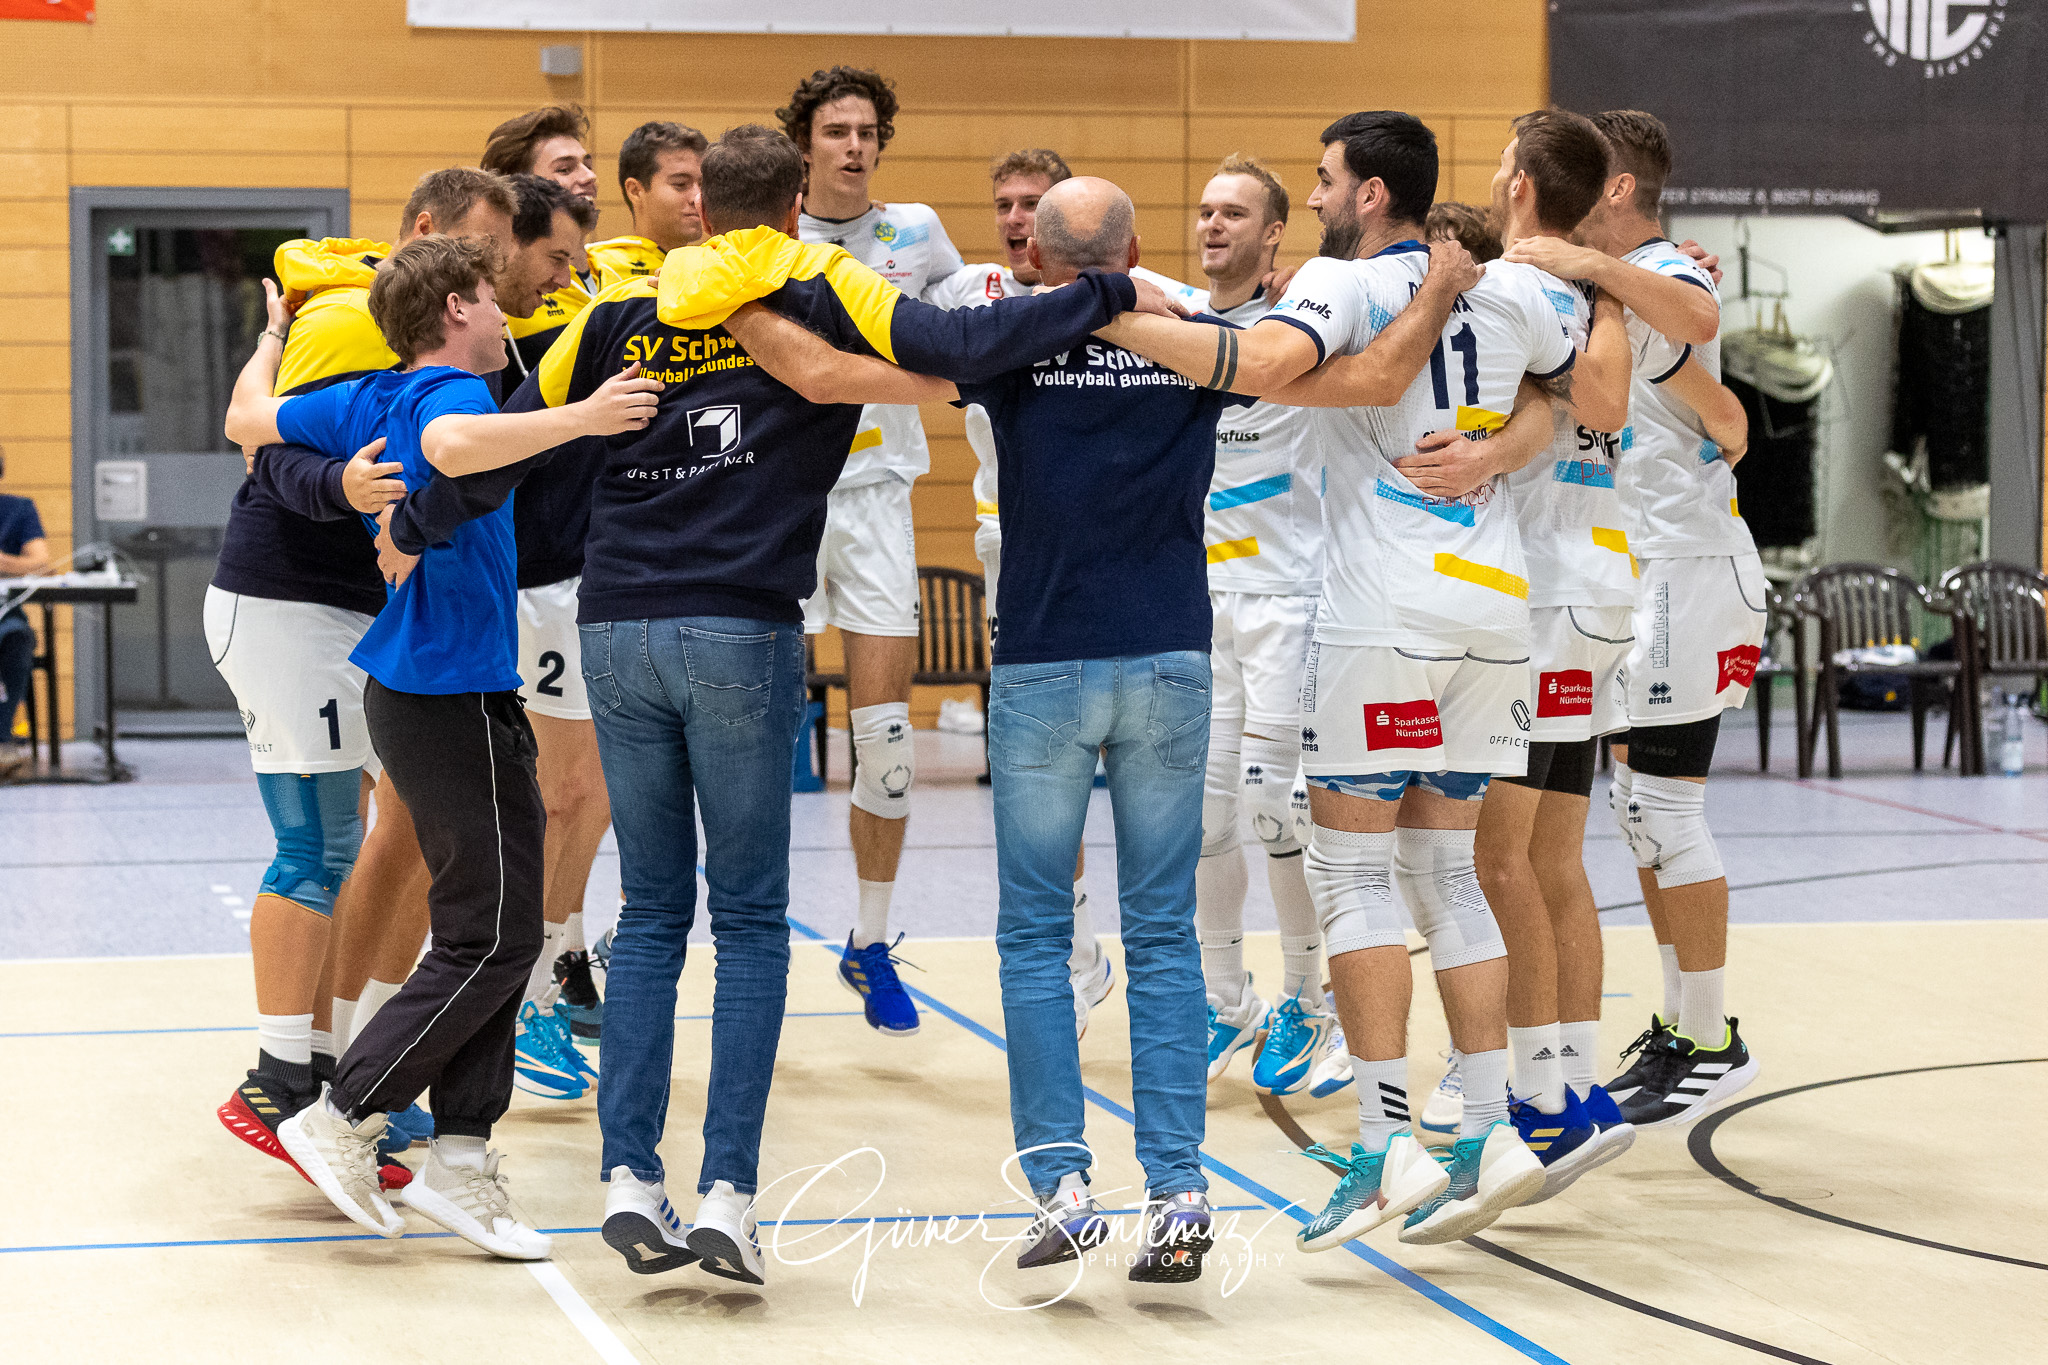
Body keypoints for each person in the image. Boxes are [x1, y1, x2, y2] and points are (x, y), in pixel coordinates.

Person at [445, 124, 1170, 1285]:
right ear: (792, 209)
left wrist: (401, 522)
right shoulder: (818, 283)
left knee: (647, 918)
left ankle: (629, 1176)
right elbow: (960, 340)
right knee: (745, 927)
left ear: (695, 209)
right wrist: (1108, 287)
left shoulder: (622, 311)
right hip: (736, 627)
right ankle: (727, 1194)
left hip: (617, 630)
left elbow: (499, 443)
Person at [1102, 108, 1583, 1251]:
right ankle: (1487, 1129)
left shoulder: (1347, 282)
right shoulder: (1514, 292)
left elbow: (1269, 363)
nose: (1314, 200)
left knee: (1350, 875)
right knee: (1446, 874)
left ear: (1369, 194)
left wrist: (1122, 319)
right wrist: (1499, 446)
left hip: (1381, 606)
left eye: (1323, 183)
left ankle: (1382, 1148)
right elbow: (1582, 399)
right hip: (1493, 609)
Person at [223, 232, 661, 1257]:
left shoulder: (368, 395)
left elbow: (248, 418)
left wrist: (270, 336)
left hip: (447, 693)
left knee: (495, 933)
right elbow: (462, 450)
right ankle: (340, 1112)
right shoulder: (447, 399)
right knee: (493, 938)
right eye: (494, 301)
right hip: (441, 698)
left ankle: (462, 1157)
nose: (507, 315)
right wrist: (588, 418)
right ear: (462, 304)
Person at [210, 168, 517, 1188]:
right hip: (287, 599)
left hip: (355, 612)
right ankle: (279, 1078)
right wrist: (347, 489)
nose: (498, 270)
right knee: (322, 840)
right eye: (482, 251)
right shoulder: (355, 317)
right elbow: (256, 441)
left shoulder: (464, 341)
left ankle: (338, 1061)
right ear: (428, 243)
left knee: (392, 838)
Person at [1502, 109, 1762, 1128]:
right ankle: (1679, 1023)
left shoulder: (1661, 268)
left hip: (1686, 572)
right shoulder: (1591, 287)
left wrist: (1591, 266)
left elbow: (1696, 332)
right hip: (1630, 576)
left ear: (1614, 189)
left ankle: (1710, 1036)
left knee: (1663, 811)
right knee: (1633, 812)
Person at [1450, 111, 1640, 1202]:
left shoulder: (1518, 289)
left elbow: (1597, 403)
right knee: (1555, 862)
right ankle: (1572, 1081)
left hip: (1543, 595)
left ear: (1517, 182)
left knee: (1499, 863)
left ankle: (1536, 1100)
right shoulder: (1601, 291)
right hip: (1598, 581)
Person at [778, 66, 968, 1034]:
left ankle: (870, 940)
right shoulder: (771, 235)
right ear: (804, 143)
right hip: (778, 500)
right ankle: (743, 935)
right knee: (752, 735)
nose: (853, 145)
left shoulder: (918, 235)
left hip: (880, 497)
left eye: (866, 131)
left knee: (885, 741)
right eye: (835, 130)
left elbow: (970, 329)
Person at [923, 148, 1114, 1038]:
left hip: (1119, 550)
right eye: (1003, 202)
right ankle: (1075, 950)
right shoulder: (969, 297)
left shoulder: (1127, 296)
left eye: (1034, 203)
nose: (1015, 217)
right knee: (1046, 764)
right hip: (1014, 548)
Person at [1177, 156, 1346, 1102]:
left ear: (1275, 231)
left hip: (1290, 596)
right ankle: (1220, 995)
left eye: (1234, 212)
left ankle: (1308, 997)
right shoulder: (1178, 326)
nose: (1213, 225)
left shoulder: (1304, 329)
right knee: (1202, 818)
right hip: (1201, 603)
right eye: (1204, 211)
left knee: (1281, 810)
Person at [483, 105, 602, 372]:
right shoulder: (497, 291)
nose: (589, 176)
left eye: (588, 164)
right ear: (519, 188)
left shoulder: (619, 268)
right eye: (565, 169)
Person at [585, 121, 709, 290]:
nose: (697, 197)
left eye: (703, 185)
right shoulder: (594, 266)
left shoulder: (713, 269)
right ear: (635, 191)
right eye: (680, 184)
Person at [0, 447, 48, 779]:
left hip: (4, 614)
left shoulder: (18, 509)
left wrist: (4, 564)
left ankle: (2, 740)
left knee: (17, 638)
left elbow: (42, 564)